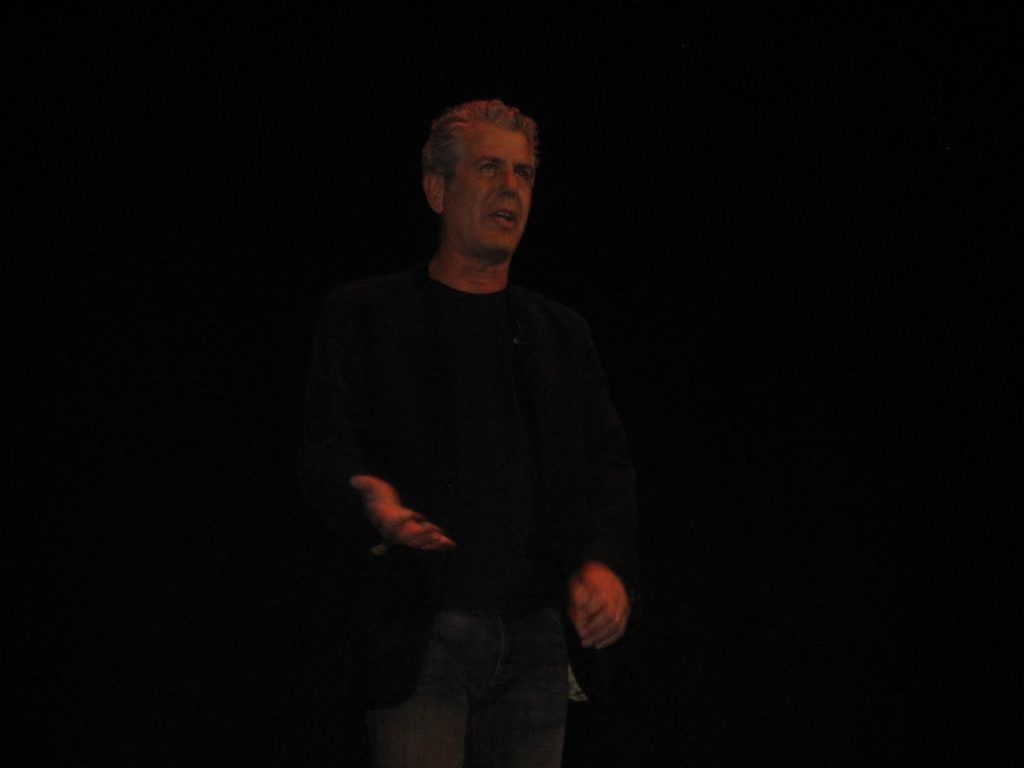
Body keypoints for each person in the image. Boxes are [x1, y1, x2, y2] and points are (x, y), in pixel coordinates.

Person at [300, 99, 638, 768]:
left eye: (523, 173)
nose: (511, 188)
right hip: (424, 635)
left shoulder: (559, 333)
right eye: (489, 168)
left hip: (537, 637)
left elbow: (608, 467)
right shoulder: (369, 315)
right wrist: (376, 503)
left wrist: (605, 565)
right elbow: (327, 451)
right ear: (437, 188)